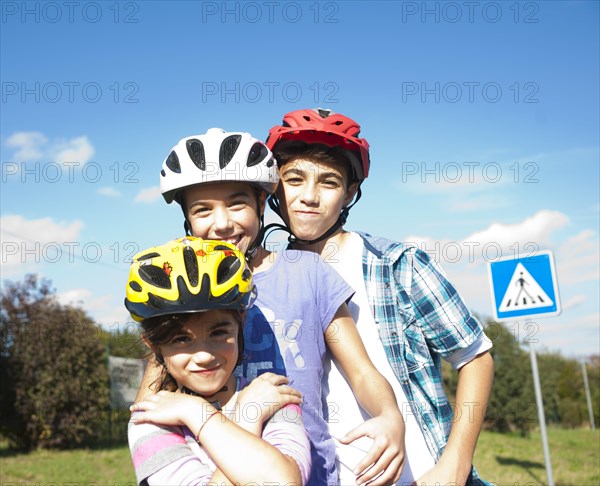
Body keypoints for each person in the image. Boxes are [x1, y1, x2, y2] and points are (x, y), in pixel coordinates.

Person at [135, 128, 405, 485]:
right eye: (203, 210)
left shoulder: (308, 272)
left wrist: (390, 416)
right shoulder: (182, 288)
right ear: (187, 218)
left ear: (262, 204)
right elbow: (150, 400)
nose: (222, 223)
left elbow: (361, 370)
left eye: (237, 204)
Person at [265, 108, 495, 485]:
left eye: (328, 182)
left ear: (349, 193)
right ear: (275, 186)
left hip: (419, 475)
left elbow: (475, 358)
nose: (309, 196)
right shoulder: (266, 278)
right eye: (294, 179)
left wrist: (454, 465)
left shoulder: (398, 265)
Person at [126, 237, 310, 485]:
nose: (204, 356)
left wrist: (198, 414)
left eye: (218, 333)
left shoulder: (274, 398)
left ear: (240, 324)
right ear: (154, 346)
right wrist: (245, 418)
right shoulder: (151, 419)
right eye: (181, 339)